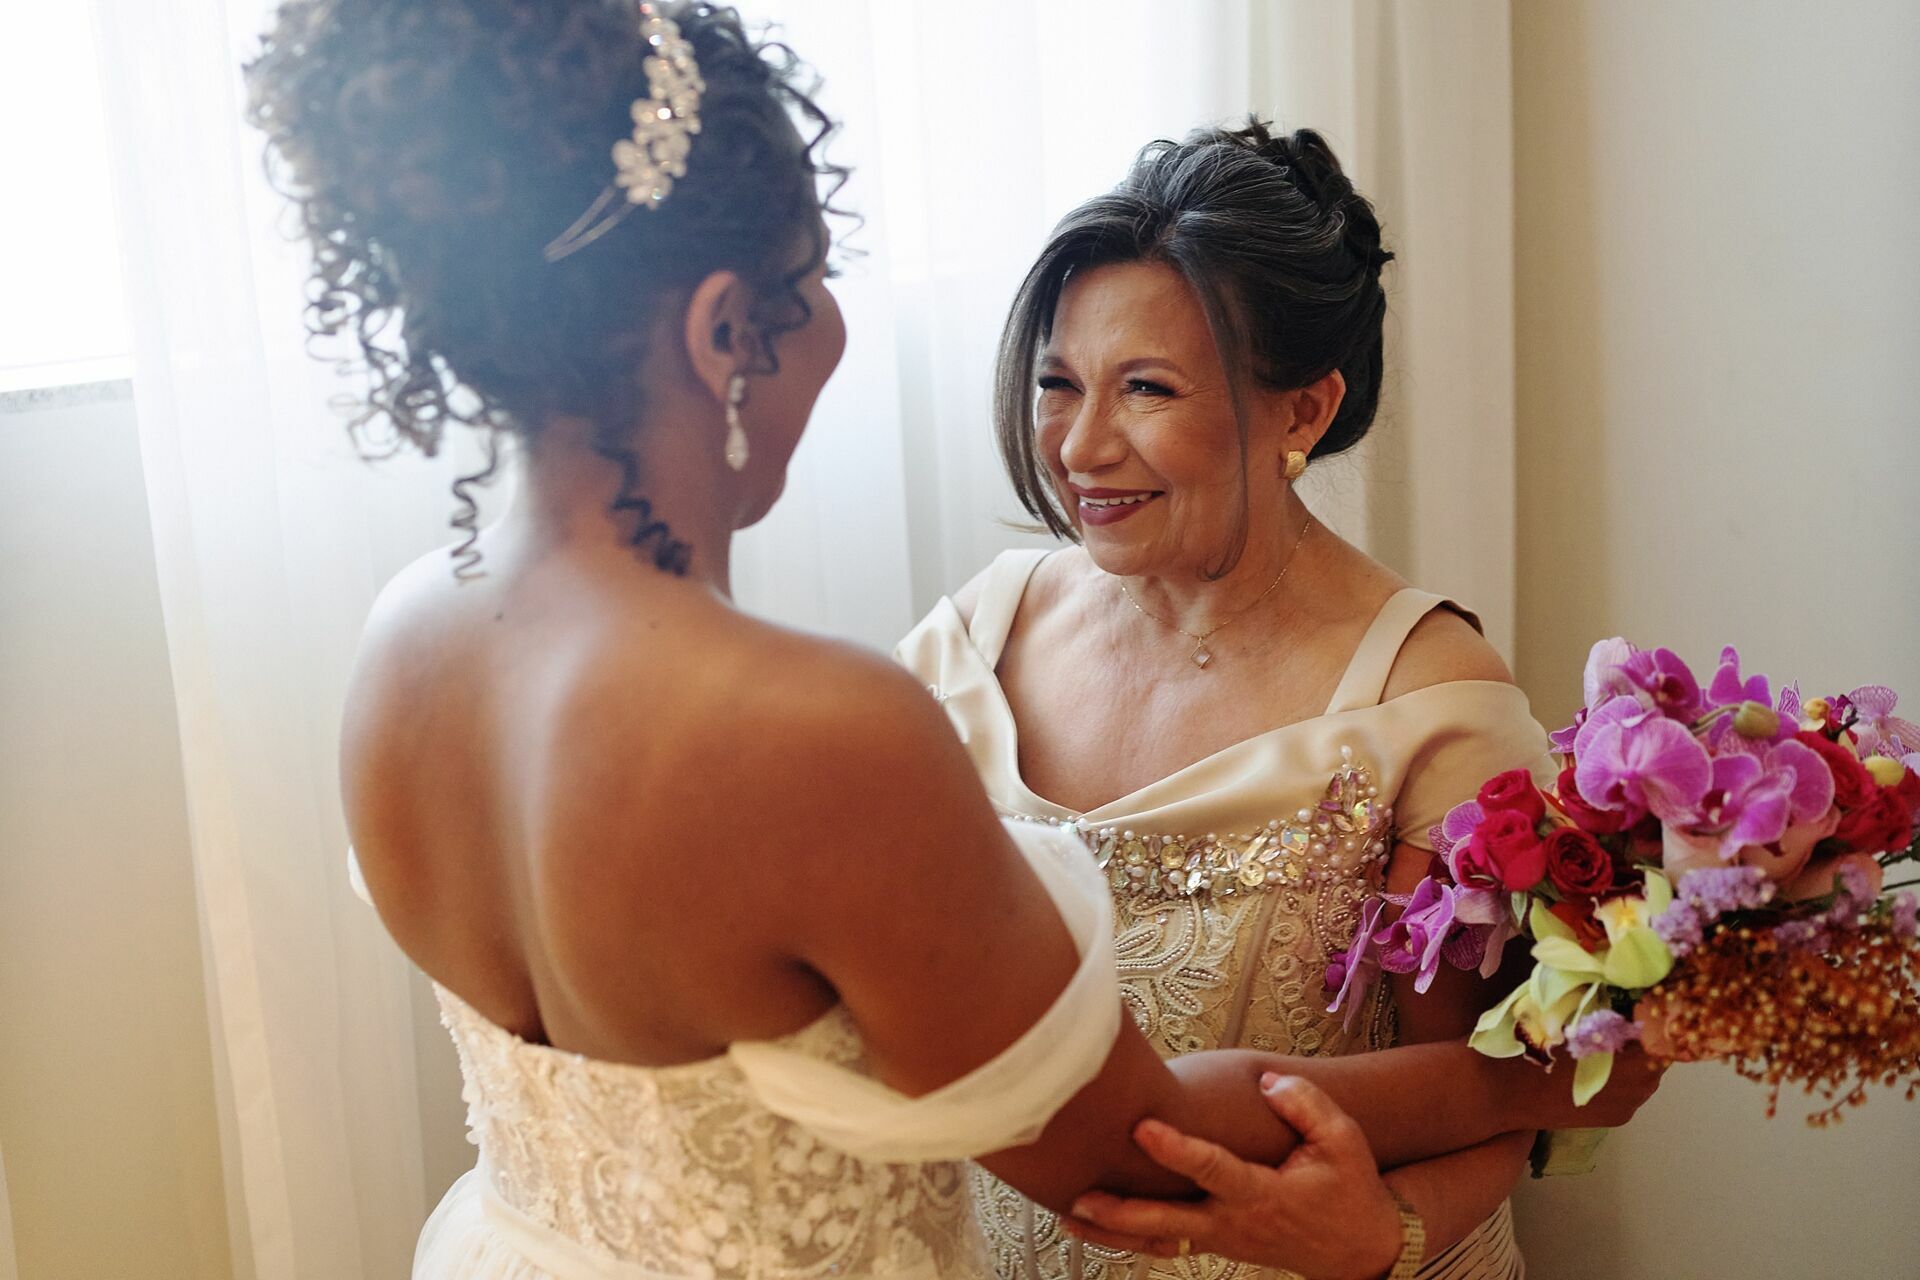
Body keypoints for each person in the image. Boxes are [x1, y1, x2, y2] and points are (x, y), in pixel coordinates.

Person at [244, 4, 1657, 1277]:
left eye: (1149, 387)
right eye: (819, 283)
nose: (1081, 440)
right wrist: (1575, 1062)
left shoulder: (404, 637)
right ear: (726, 325)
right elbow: (1123, 1139)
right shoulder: (822, 725)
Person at [897, 123, 1586, 1279]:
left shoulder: (1428, 701)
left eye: (1147, 389)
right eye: (1058, 384)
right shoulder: (977, 635)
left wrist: (1386, 1231)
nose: (1079, 444)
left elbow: (1507, 1085)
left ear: (1304, 413)